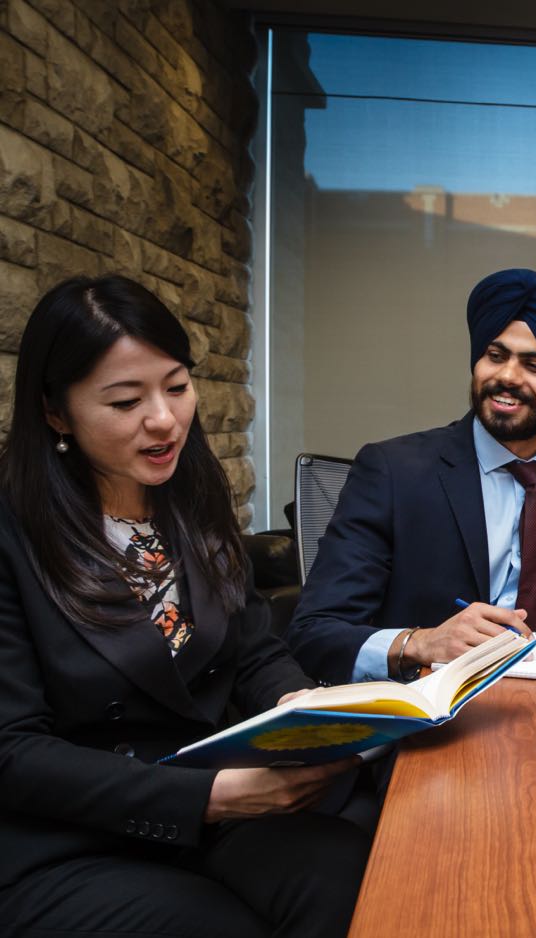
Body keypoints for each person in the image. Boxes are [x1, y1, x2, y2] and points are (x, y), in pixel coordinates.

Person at [0, 276, 369, 937]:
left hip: (207, 809)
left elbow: (254, 648)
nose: (165, 419)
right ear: (56, 413)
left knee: (351, 875)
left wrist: (294, 704)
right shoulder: (14, 535)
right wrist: (208, 797)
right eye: (125, 400)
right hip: (68, 837)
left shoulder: (190, 497)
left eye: (176, 386)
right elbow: (13, 752)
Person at [288, 269, 536, 687]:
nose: (507, 376)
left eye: (534, 365)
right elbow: (316, 631)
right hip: (441, 705)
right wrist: (422, 643)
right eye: (496, 356)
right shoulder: (392, 471)